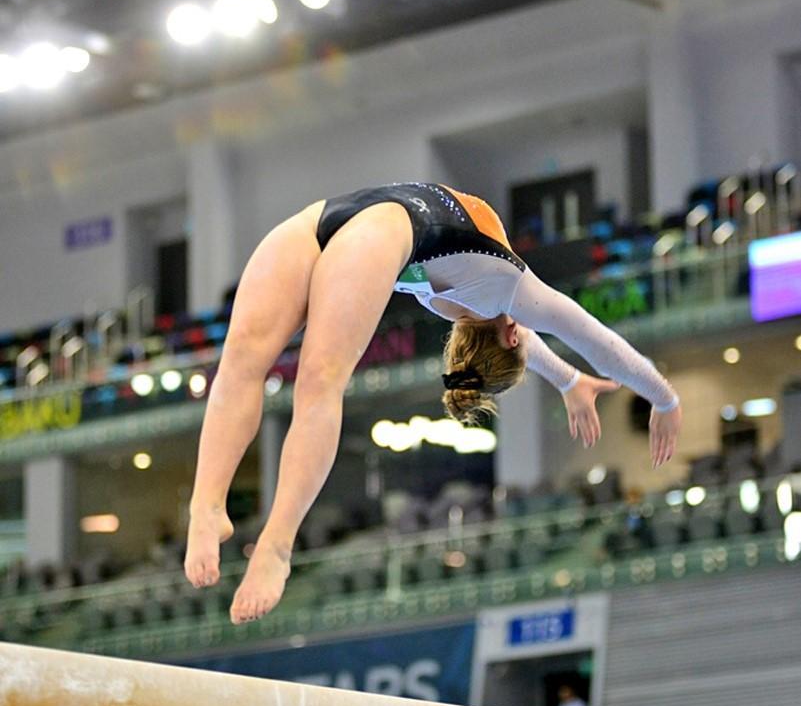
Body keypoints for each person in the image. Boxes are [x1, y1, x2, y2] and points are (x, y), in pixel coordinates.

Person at [184, 182, 682, 623]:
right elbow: (591, 344)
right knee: (318, 381)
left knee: (240, 366)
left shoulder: (503, 298)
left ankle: (208, 506)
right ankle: (274, 545)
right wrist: (659, 398)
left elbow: (556, 344)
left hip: (320, 221)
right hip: (372, 232)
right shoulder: (504, 290)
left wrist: (577, 382)